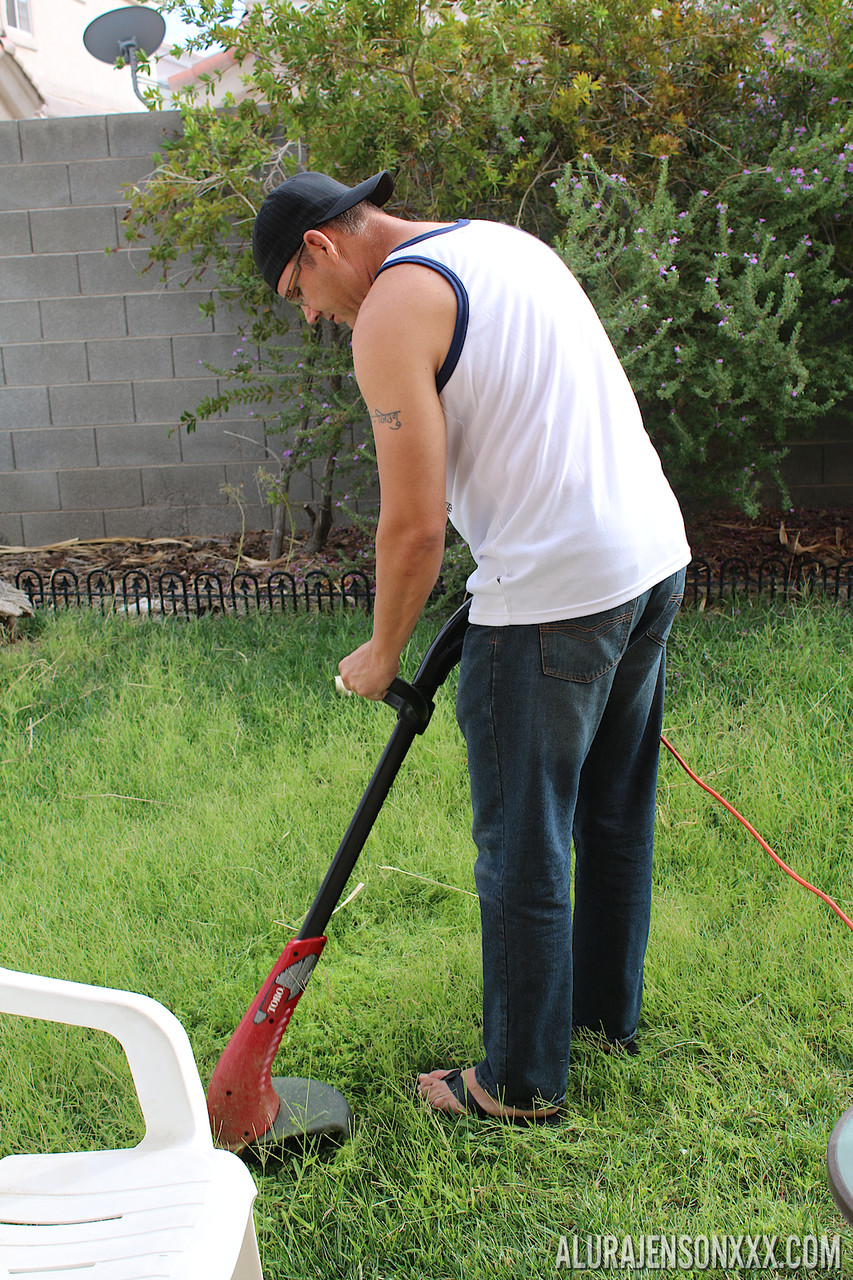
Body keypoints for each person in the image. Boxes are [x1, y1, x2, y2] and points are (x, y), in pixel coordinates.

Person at [252, 169, 691, 1125]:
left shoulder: (391, 310)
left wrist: (379, 655)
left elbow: (411, 528)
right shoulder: (500, 244)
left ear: (319, 247)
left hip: (550, 600)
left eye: (299, 295)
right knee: (612, 818)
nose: (315, 318)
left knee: (521, 844)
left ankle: (521, 1083)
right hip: (652, 561)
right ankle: (601, 1020)